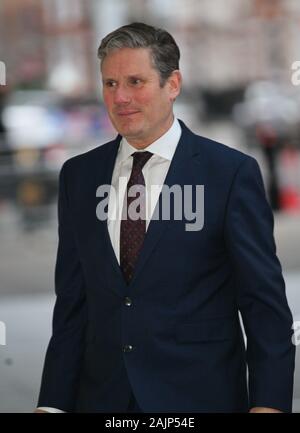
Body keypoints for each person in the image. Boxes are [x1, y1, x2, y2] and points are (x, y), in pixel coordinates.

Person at [36, 22, 295, 413]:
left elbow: (264, 306)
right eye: (110, 84)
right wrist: (52, 404)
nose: (120, 97)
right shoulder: (79, 176)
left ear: (172, 84)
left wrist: (269, 405)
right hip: (101, 399)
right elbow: (73, 305)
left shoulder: (228, 174)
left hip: (199, 398)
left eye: (135, 81)